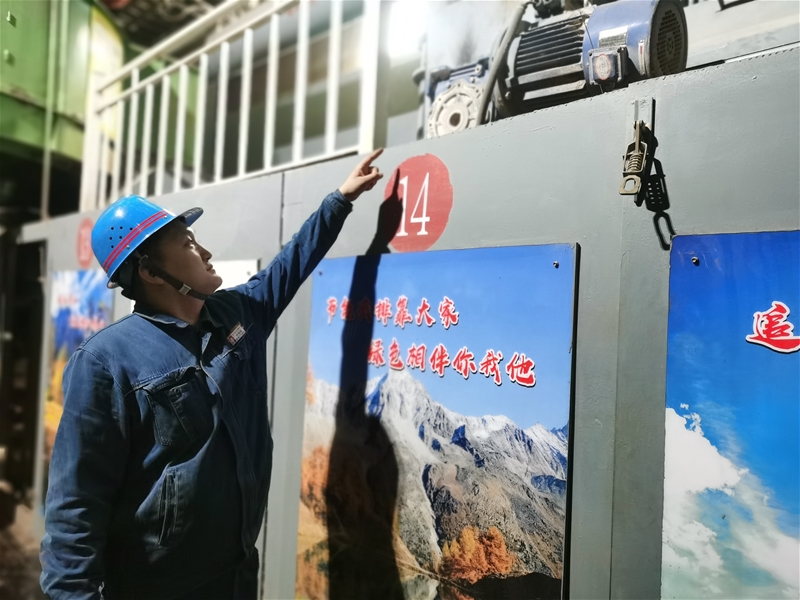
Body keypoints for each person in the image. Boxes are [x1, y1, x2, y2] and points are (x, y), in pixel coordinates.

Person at [40, 150, 384, 600]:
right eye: (187, 244)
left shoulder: (235, 314)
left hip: (237, 575)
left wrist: (339, 200)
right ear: (150, 271)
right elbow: (74, 509)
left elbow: (292, 263)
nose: (204, 252)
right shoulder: (106, 361)